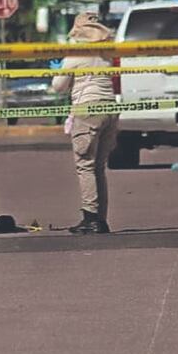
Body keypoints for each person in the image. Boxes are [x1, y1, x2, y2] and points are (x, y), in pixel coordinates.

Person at [51, 12, 119, 235]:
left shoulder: (76, 53)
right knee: (99, 167)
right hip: (109, 108)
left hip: (87, 110)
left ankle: (90, 218)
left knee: (85, 165)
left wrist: (58, 68)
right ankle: (101, 219)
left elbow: (58, 86)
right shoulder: (106, 52)